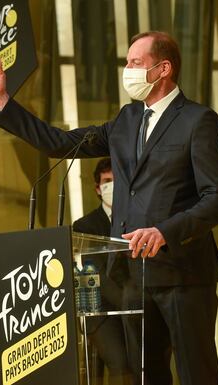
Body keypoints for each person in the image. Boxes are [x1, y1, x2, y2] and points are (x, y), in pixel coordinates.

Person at [0, 30, 218, 385]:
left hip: (183, 274)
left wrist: (164, 232)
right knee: (147, 377)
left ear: (164, 68)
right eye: (127, 62)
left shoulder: (197, 121)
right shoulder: (125, 120)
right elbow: (58, 143)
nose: (128, 69)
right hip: (131, 277)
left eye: (136, 63)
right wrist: (3, 102)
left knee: (196, 374)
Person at [73, 158, 131, 385]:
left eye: (117, 180)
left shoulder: (138, 220)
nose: (112, 187)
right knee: (121, 363)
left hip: (137, 306)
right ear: (98, 189)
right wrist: (126, 302)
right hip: (102, 311)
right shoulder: (84, 226)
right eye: (107, 181)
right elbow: (95, 272)